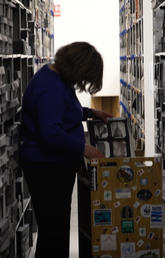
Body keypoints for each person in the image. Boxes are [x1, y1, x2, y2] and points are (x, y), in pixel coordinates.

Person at [19, 41, 112, 258]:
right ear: (77, 68)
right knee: (54, 235)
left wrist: (90, 113)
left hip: (54, 167)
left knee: (56, 230)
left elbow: (64, 111)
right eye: (85, 77)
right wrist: (84, 148)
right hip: (47, 169)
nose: (83, 82)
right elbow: (50, 133)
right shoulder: (50, 87)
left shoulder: (56, 78)